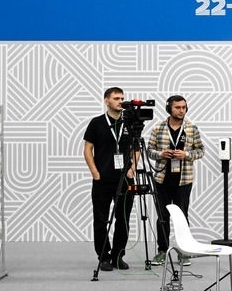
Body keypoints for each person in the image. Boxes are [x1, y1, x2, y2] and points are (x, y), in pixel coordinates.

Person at [147, 95, 205, 266]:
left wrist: (186, 154)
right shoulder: (158, 128)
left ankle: (184, 252)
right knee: (162, 217)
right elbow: (149, 150)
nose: (181, 111)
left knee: (182, 217)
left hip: (184, 180)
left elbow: (201, 151)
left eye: (184, 107)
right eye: (177, 107)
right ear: (169, 109)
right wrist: (161, 154)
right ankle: (162, 251)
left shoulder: (191, 128)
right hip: (162, 179)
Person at [83, 87, 136, 271]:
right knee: (101, 219)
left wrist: (132, 169)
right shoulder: (97, 123)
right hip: (103, 179)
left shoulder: (129, 123)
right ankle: (104, 256)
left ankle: (118, 256)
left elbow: (136, 149)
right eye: (116, 98)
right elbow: (87, 149)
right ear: (107, 101)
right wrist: (95, 173)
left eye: (122, 98)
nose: (120, 101)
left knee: (123, 219)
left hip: (125, 179)